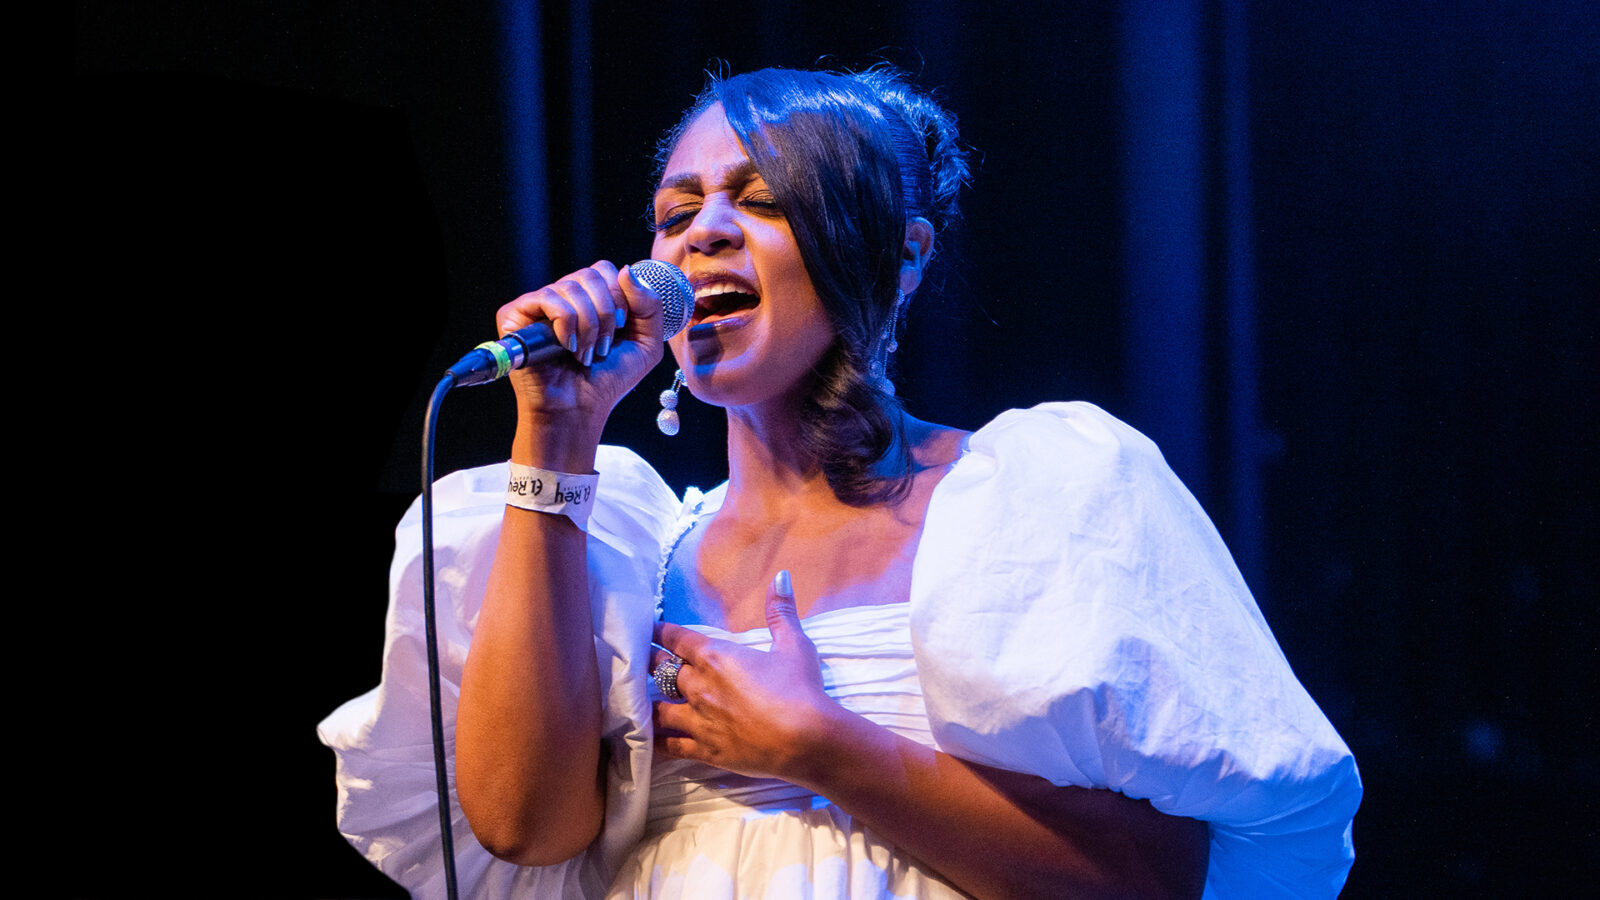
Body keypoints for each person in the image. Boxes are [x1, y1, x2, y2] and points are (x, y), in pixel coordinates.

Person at [319, 66, 1361, 899]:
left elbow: (1149, 883)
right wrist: (557, 431)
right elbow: (521, 827)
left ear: (902, 254)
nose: (701, 232)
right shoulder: (623, 550)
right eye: (675, 211)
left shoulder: (1038, 499)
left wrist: (825, 749)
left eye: (762, 199)